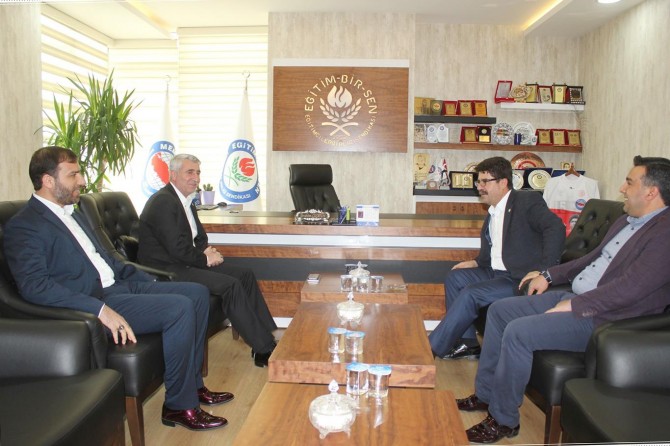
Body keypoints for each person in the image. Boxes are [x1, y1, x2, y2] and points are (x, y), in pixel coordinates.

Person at [3, 146, 233, 431]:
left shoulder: (75, 214)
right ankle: (179, 406)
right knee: (180, 307)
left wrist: (152, 283)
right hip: (95, 300)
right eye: (73, 175)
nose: (82, 181)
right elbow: (35, 287)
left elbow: (109, 259)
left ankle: (193, 386)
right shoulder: (25, 226)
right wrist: (100, 310)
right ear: (48, 180)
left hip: (120, 285)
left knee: (195, 293)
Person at [458, 155, 670, 443]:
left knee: (518, 332)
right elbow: (590, 258)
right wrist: (547, 274)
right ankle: (486, 394)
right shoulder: (626, 221)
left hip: (608, 318)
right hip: (579, 296)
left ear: (651, 192)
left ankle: (503, 420)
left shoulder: (664, 234)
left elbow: (631, 288)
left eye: (629, 182)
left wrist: (575, 305)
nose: (622, 188)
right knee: (499, 311)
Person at [137, 153, 277, 367]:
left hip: (186, 261)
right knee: (230, 285)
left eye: (198, 172)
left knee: (245, 274)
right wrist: (204, 259)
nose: (195, 178)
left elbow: (199, 238)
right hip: (167, 270)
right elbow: (177, 248)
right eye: (189, 172)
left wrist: (207, 252)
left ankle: (265, 337)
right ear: (173, 175)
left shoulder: (186, 200)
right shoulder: (163, 202)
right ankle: (264, 348)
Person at [429, 157, 565, 359]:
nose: (479, 187)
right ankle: (468, 343)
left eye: (485, 182)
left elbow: (556, 228)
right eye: (478, 181)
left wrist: (545, 272)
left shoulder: (526, 201)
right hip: (493, 271)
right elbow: (498, 246)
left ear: (503, 182)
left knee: (471, 293)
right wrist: (476, 262)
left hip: (517, 277)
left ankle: (430, 348)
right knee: (455, 277)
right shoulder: (494, 210)